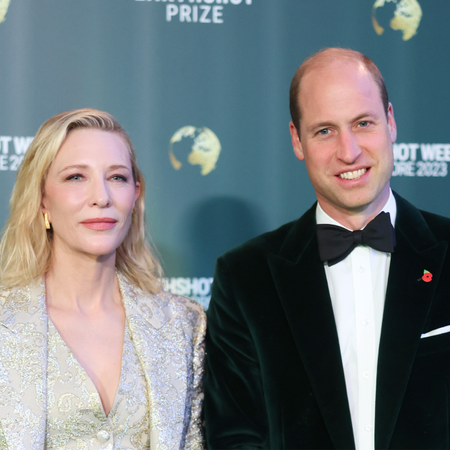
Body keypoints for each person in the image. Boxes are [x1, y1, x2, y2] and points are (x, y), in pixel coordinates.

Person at [204, 47, 450, 450]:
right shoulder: (245, 276)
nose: (348, 151)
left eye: (363, 123)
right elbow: (234, 435)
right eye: (324, 131)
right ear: (297, 140)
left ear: (390, 122)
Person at [0, 108, 206, 449]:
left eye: (117, 178)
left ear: (135, 195)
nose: (102, 197)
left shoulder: (183, 324)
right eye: (76, 177)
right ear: (42, 201)